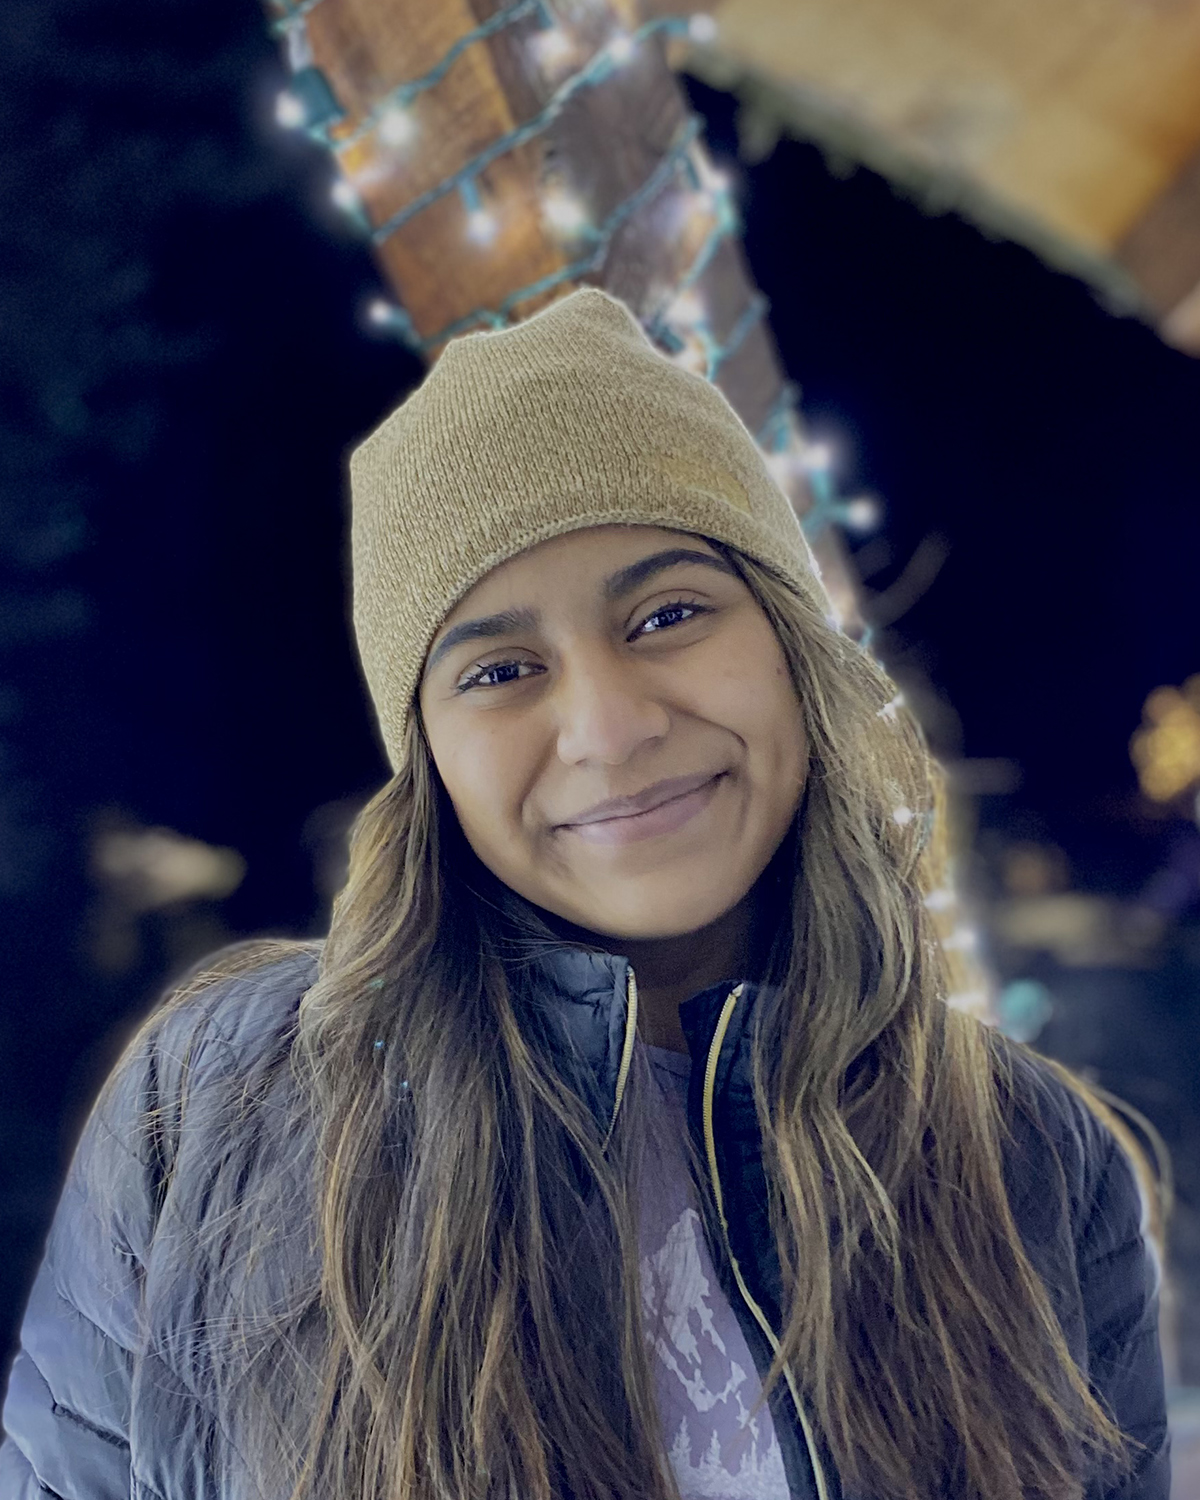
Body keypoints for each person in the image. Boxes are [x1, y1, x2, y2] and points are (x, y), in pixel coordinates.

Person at [0, 287, 1171, 1500]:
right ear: (431, 757)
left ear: (789, 648)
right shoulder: (213, 1108)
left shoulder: (1039, 1160)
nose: (609, 729)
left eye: (668, 614)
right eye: (500, 670)